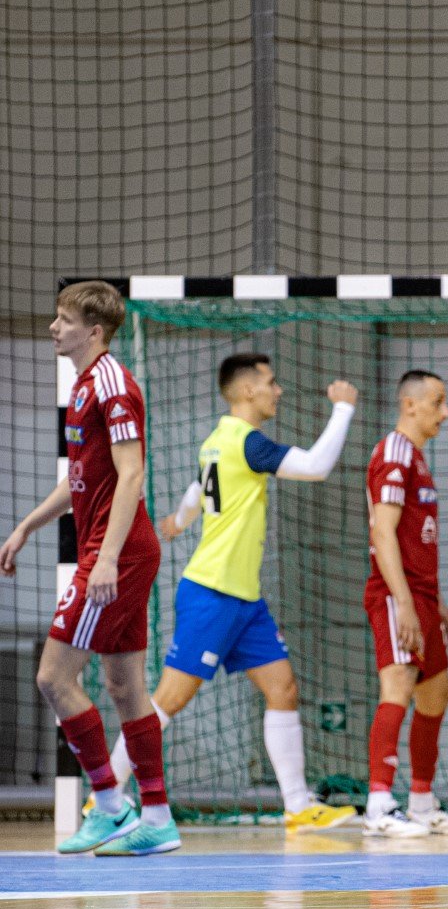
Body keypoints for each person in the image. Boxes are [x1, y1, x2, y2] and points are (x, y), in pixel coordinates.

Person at [97, 354, 360, 833]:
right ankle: (106, 796)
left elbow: (200, 488)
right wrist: (342, 408)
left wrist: (179, 521)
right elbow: (317, 467)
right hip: (213, 592)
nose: (277, 391)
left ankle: (298, 805)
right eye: (271, 382)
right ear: (245, 392)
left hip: (245, 597)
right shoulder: (246, 442)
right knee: (170, 699)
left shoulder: (216, 440)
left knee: (282, 689)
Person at [0, 281, 178, 856]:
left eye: (62, 319)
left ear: (93, 331)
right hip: (113, 548)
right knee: (126, 688)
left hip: (117, 552)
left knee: (53, 677)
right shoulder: (82, 386)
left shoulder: (112, 386)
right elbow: (81, 480)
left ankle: (108, 805)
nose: (53, 327)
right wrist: (28, 524)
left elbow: (131, 476)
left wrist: (102, 559)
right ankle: (157, 819)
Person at [362, 369, 448, 838]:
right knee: (399, 685)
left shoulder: (418, 459)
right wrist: (404, 602)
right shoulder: (394, 451)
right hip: (395, 593)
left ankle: (423, 805)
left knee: (436, 692)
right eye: (438, 402)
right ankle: (379, 806)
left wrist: (436, 600)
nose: (445, 412)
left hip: (422, 595)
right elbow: (382, 531)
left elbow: (415, 539)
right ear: (410, 404)